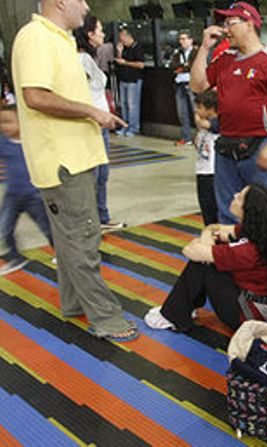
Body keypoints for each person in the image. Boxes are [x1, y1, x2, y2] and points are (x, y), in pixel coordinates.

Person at [12, 0, 136, 342]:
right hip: (63, 162)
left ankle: (73, 303)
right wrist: (91, 113)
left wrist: (97, 116)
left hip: (77, 157)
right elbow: (35, 95)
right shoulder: (36, 37)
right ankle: (107, 318)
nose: (86, 6)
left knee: (71, 238)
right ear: (60, 2)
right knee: (83, 241)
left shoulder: (62, 39)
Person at [190, 2, 267, 223]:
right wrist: (204, 48)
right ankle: (235, 254)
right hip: (226, 147)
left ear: (249, 24)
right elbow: (198, 85)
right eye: (224, 24)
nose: (226, 29)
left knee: (265, 211)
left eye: (231, 23)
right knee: (228, 212)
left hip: (259, 146)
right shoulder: (225, 59)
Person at [144, 184, 267, 333]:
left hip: (249, 317)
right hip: (259, 306)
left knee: (203, 265)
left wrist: (206, 247)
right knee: (209, 256)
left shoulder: (246, 251)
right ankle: (183, 309)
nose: (235, 195)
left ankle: (172, 316)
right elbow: (214, 228)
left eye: (240, 197)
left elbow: (189, 250)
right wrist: (208, 242)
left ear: (247, 210)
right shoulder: (258, 232)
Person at [74, 15, 126, 232]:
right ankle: (90, 221)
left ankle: (101, 217)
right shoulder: (78, 60)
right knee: (93, 176)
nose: (103, 35)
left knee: (102, 174)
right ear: (90, 34)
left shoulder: (88, 57)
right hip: (90, 125)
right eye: (100, 30)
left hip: (100, 124)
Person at [0, 105, 54, 275]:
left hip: (34, 196)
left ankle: (60, 251)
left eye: (8, 122)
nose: (4, 126)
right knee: (4, 228)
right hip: (12, 196)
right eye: (1, 123)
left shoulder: (33, 142)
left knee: (47, 228)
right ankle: (16, 257)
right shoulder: (3, 142)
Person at [193, 90, 219, 226]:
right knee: (205, 207)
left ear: (211, 109)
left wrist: (199, 120)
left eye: (200, 107)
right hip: (201, 171)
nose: (196, 111)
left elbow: (210, 125)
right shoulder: (203, 129)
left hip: (212, 173)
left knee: (212, 207)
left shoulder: (217, 125)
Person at [169, 31, 198, 146]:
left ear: (191, 40)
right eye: (180, 39)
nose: (182, 41)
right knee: (182, 112)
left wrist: (183, 67)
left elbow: (193, 66)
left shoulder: (196, 52)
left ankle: (199, 136)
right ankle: (186, 137)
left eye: (184, 39)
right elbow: (173, 66)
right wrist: (183, 67)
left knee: (195, 111)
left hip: (191, 83)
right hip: (179, 84)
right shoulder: (177, 53)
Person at [114, 28, 145, 137]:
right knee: (124, 104)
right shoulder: (124, 48)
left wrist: (126, 62)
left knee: (133, 105)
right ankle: (125, 126)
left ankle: (133, 127)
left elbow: (141, 64)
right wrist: (119, 52)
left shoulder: (137, 47)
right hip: (123, 79)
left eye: (122, 37)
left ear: (128, 36)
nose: (121, 39)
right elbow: (119, 62)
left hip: (134, 80)